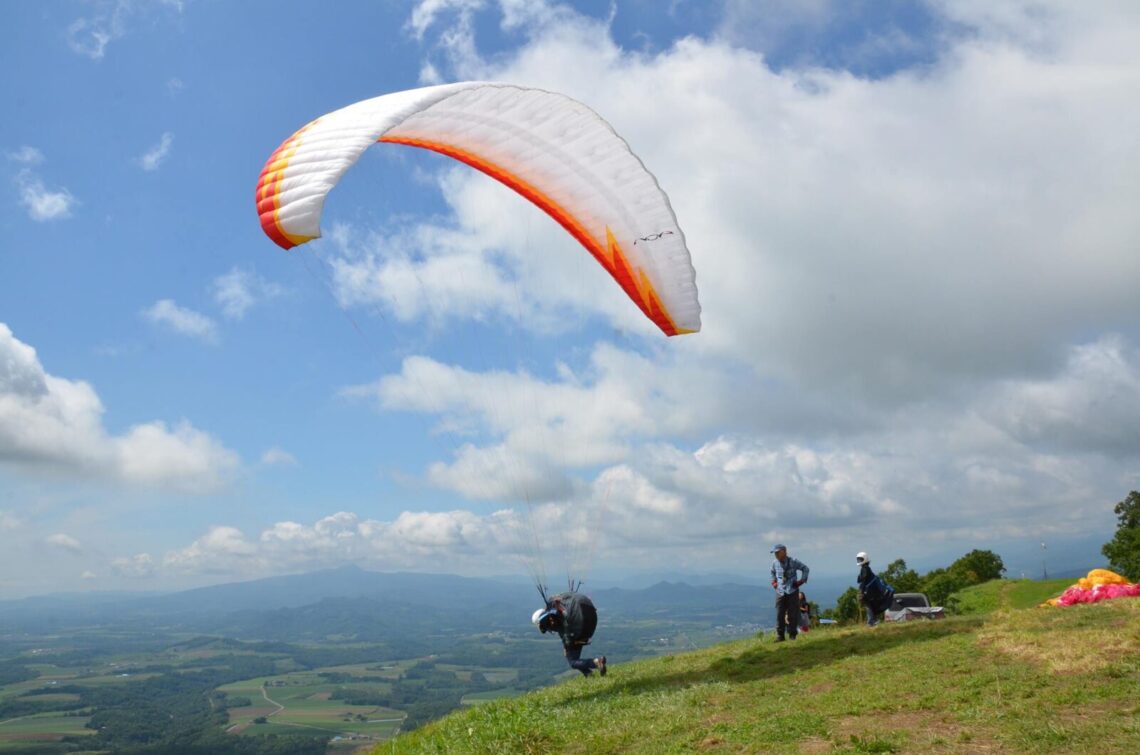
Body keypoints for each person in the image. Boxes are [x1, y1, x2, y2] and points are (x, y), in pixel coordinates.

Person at [532, 591, 606, 677]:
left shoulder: (552, 618)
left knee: (572, 662)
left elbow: (563, 627)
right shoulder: (556, 609)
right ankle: (589, 674)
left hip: (577, 627)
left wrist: (567, 645)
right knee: (573, 658)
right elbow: (563, 627)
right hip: (587, 622)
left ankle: (596, 662)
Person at [769, 544, 809, 641]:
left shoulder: (793, 561)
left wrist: (801, 581)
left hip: (792, 590)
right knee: (780, 614)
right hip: (780, 591)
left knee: (792, 614)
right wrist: (774, 582)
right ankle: (780, 636)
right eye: (775, 553)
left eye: (778, 552)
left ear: (784, 551)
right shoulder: (775, 563)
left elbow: (805, 569)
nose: (776, 554)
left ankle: (792, 635)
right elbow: (772, 572)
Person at [856, 551, 893, 626]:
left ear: (864, 559)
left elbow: (863, 580)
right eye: (858, 559)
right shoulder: (866, 568)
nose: (859, 561)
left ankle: (871, 622)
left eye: (860, 559)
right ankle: (873, 620)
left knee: (868, 605)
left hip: (869, 592)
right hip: (871, 591)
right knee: (870, 605)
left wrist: (862, 592)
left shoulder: (865, 569)